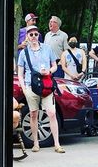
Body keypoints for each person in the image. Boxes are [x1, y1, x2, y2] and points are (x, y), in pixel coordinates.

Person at [17, 25, 64, 153]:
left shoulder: (47, 49)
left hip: (47, 85)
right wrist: (24, 87)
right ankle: (36, 143)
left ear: (39, 36)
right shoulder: (23, 53)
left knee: (52, 113)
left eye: (35, 34)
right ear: (27, 36)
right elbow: (20, 72)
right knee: (33, 114)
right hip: (31, 86)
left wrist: (49, 71)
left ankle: (57, 144)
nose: (33, 37)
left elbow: (55, 66)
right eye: (31, 34)